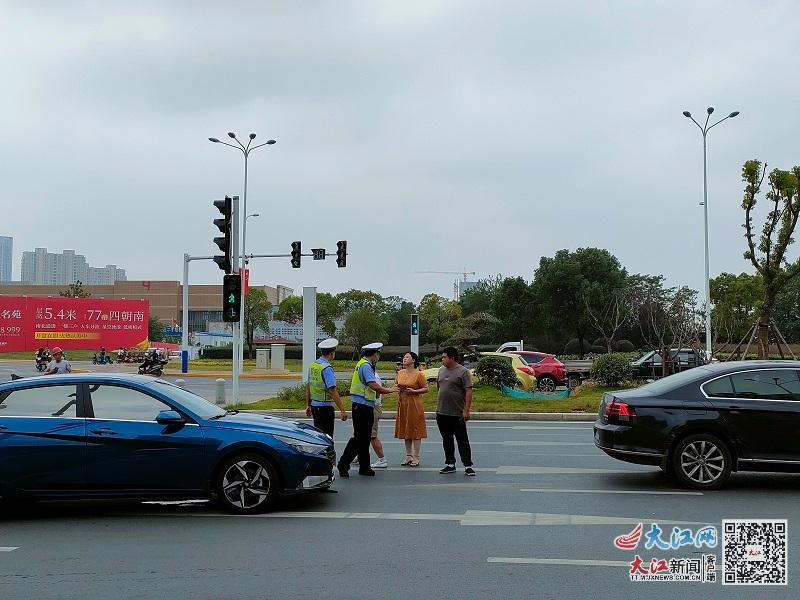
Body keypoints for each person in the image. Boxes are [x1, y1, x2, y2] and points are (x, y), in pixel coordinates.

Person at [337, 342, 398, 477]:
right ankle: (343, 464)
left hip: (364, 405)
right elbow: (373, 385)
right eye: (378, 355)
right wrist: (390, 390)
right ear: (375, 354)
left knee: (364, 438)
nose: (378, 357)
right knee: (359, 438)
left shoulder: (363, 364)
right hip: (362, 406)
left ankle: (364, 467)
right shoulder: (365, 366)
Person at [435, 346, 475, 476]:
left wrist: (466, 410)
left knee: (462, 439)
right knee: (446, 439)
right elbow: (439, 388)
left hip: (457, 412)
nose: (442, 359)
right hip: (442, 412)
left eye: (444, 357)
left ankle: (468, 465)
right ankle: (450, 463)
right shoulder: (441, 370)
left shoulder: (463, 372)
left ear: (452, 358)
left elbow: (468, 391)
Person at [305, 338, 348, 436]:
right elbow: (332, 390)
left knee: (318, 437)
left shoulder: (313, 365)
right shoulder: (326, 368)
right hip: (325, 408)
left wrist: (308, 405)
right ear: (332, 353)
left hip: (315, 407)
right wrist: (342, 410)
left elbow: (308, 386)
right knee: (327, 438)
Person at [395, 352, 429, 467]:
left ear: (413, 360)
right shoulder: (399, 373)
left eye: (407, 357)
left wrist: (414, 391)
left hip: (414, 403)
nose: (404, 359)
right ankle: (408, 455)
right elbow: (396, 385)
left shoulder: (419, 374)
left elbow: (425, 388)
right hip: (403, 403)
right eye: (403, 357)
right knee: (406, 428)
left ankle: (416, 456)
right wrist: (397, 389)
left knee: (415, 428)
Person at [370, 371, 387, 468]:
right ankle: (359, 455)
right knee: (361, 434)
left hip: (373, 407)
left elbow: (377, 393)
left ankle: (382, 459)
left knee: (372, 435)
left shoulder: (373, 376)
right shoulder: (371, 374)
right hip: (371, 407)